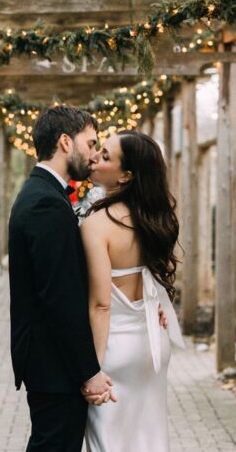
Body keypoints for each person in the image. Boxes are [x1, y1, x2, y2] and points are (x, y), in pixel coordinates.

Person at [8, 106, 115, 452]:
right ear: (66, 142)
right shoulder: (45, 203)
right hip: (53, 364)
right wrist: (89, 371)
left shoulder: (45, 194)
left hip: (48, 359)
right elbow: (60, 298)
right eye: (91, 142)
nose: (95, 152)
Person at [81, 130, 185, 452]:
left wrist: (93, 369)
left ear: (126, 175)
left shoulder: (98, 224)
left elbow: (101, 305)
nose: (96, 157)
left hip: (113, 352)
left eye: (106, 156)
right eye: (99, 149)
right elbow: (149, 280)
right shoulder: (152, 218)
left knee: (108, 445)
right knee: (148, 440)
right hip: (151, 347)